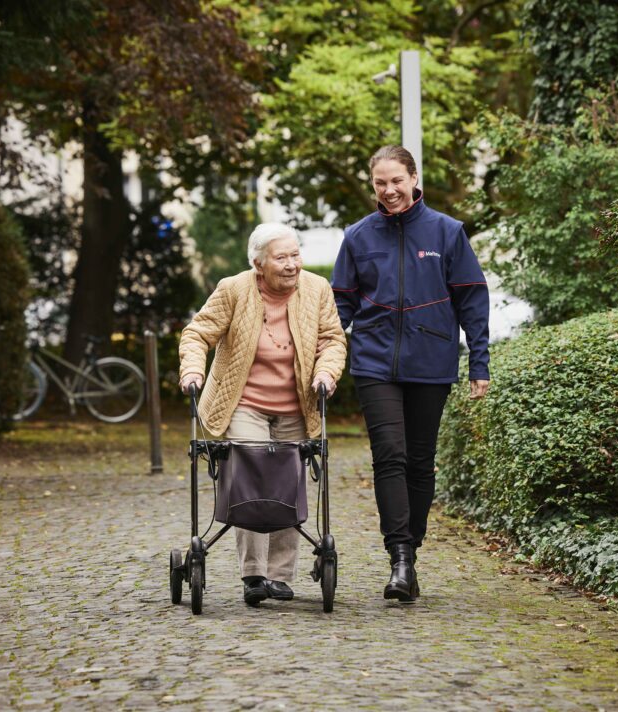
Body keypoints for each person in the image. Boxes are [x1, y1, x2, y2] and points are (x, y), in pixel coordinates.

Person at [332, 145, 490, 602]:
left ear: (414, 178)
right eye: (380, 183)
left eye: (396, 180)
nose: (389, 190)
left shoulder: (447, 232)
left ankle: (411, 553)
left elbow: (472, 298)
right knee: (389, 455)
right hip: (374, 361)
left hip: (431, 360)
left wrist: (479, 362)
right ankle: (399, 556)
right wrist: (319, 350)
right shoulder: (357, 236)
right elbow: (340, 303)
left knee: (420, 461)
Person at [179, 222, 346, 606]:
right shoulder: (234, 289)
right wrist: (192, 370)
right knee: (251, 480)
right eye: (281, 258)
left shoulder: (317, 289)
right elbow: (197, 334)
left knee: (288, 483)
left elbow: (332, 340)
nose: (291, 265)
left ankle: (280, 575)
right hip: (244, 403)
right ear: (258, 264)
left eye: (295, 255)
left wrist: (326, 372)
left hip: (297, 405)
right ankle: (253, 573)